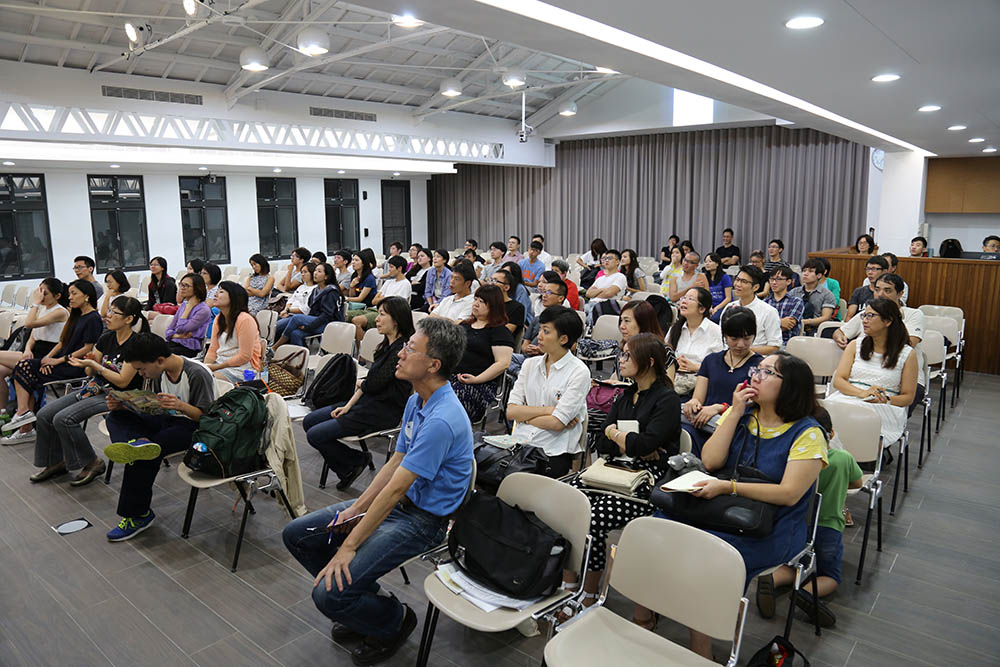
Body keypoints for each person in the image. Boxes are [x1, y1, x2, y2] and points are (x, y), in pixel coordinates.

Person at [282, 318, 473, 666]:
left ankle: (392, 621)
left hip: (425, 521)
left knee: (327, 595)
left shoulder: (442, 419)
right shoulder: (417, 400)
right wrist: (355, 510)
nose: (400, 353)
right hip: (401, 505)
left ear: (433, 365)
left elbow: (398, 487)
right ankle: (363, 602)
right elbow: (394, 463)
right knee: (298, 535)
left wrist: (350, 545)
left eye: (410, 348)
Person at [663, 352, 827, 658]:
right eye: (757, 370)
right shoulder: (743, 413)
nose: (755, 377)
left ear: (790, 386)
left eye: (767, 372)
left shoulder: (808, 432)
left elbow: (789, 494)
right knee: (661, 525)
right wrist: (735, 411)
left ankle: (703, 653)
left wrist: (730, 487)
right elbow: (711, 461)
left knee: (708, 557)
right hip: (728, 510)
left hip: (775, 527)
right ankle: (645, 616)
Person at [562, 333, 681, 610]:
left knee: (595, 517)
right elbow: (604, 443)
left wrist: (618, 435)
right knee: (567, 502)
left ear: (649, 362)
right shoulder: (626, 395)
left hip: (645, 479)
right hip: (612, 469)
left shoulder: (667, 400)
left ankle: (589, 593)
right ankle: (568, 584)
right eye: (622, 354)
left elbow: (643, 445)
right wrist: (625, 440)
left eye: (628, 355)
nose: (621, 360)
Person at [101, 333, 216, 541]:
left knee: (143, 458)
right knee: (116, 416)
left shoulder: (196, 373)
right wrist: (125, 404)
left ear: (160, 360)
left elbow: (207, 418)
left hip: (192, 427)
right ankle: (137, 443)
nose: (141, 374)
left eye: (141, 369)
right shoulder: (158, 373)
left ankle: (139, 515)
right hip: (166, 419)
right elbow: (154, 407)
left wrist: (181, 406)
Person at [758, 407, 863, 627]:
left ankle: (773, 579)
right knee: (830, 575)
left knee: (795, 562)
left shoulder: (793, 461)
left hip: (797, 522)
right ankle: (805, 593)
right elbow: (857, 483)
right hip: (829, 525)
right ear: (831, 434)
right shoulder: (842, 458)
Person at [29, 296, 150, 486]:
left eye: (114, 313)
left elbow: (123, 381)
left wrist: (97, 366)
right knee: (45, 414)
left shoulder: (136, 344)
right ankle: (56, 462)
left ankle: (92, 462)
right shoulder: (106, 338)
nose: (108, 315)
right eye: (109, 311)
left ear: (128, 319)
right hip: (96, 387)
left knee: (64, 419)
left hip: (119, 396)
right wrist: (90, 364)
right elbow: (89, 372)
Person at [304, 297, 415, 490]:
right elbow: (368, 384)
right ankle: (352, 462)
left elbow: (371, 384)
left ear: (396, 320)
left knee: (315, 435)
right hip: (364, 404)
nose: (377, 319)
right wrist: (347, 406)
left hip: (381, 412)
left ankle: (354, 461)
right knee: (309, 421)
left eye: (382, 315)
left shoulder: (402, 350)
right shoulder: (386, 346)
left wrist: (360, 389)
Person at [2, 280, 103, 444]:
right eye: (69, 294)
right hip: (60, 359)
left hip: (74, 365)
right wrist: (47, 359)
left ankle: (23, 416)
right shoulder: (76, 314)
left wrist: (57, 361)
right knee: (25, 369)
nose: (70, 297)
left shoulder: (93, 318)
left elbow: (87, 348)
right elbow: (62, 342)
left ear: (86, 296)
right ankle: (24, 420)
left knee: (25, 368)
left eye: (74, 294)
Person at [507, 306, 590, 477]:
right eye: (540, 329)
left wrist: (524, 417)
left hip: (552, 450)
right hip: (519, 443)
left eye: (546, 331)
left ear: (563, 339)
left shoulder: (579, 372)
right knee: (488, 472)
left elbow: (557, 424)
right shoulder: (530, 364)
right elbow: (511, 411)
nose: (539, 336)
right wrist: (549, 411)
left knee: (518, 482)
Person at [826, 298, 917, 444]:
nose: (864, 320)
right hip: (851, 396)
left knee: (857, 414)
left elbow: (908, 397)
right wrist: (862, 393)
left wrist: (885, 399)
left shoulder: (907, 354)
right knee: (826, 411)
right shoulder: (855, 345)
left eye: (870, 316)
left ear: (887, 321)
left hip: (883, 406)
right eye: (864, 315)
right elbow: (839, 381)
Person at [833, 273, 926, 411]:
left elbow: (910, 342)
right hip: (860, 386)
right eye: (877, 290)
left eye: (887, 290)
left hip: (897, 380)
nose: (880, 294)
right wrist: (840, 337)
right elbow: (840, 331)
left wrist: (883, 399)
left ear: (900, 294)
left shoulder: (913, 315)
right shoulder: (865, 317)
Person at [682, 307, 763, 449]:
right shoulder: (711, 360)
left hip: (736, 423)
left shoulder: (760, 366)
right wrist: (694, 403)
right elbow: (698, 397)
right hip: (703, 421)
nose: (741, 344)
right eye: (734, 339)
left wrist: (720, 408)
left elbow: (755, 404)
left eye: (747, 338)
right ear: (725, 336)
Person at [0, 278, 68, 420]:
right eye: (39, 291)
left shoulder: (60, 312)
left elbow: (29, 323)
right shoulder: (42, 308)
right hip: (33, 351)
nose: (41, 296)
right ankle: (3, 412)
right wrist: (27, 349)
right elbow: (33, 335)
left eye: (45, 293)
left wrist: (35, 303)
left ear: (57, 296)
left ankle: (21, 413)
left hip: (47, 354)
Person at [449, 285, 514, 423]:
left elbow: (503, 363)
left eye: (482, 301)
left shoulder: (499, 331)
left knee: (450, 399)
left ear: (493, 306)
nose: (476, 304)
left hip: (480, 385)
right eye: (475, 299)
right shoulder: (464, 326)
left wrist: (477, 379)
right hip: (452, 377)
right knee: (426, 388)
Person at [668, 287, 725, 397]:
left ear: (702, 309)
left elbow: (720, 366)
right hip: (674, 380)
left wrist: (696, 367)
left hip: (701, 384)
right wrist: (674, 363)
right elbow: (665, 355)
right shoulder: (675, 329)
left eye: (690, 299)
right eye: (684, 297)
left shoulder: (715, 331)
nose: (684, 301)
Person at [204, 282, 263, 382]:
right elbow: (213, 349)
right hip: (220, 365)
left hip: (241, 370)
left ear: (233, 297)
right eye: (217, 291)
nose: (215, 294)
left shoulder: (245, 319)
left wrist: (215, 367)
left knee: (207, 381)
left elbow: (244, 356)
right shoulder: (219, 319)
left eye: (221, 292)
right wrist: (205, 366)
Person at [274, 263, 342, 348]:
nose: (315, 273)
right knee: (295, 333)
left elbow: (326, 315)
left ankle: (275, 347)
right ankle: (301, 355)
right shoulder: (316, 290)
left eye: (319, 271)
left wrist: (308, 327)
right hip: (316, 320)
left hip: (328, 323)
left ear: (326, 277)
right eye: (315, 270)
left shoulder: (331, 292)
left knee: (297, 318)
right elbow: (312, 310)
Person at [720, 265, 782, 355]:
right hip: (729, 356)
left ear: (755, 287)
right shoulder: (729, 307)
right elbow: (721, 337)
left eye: (744, 282)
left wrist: (743, 349)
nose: (738, 284)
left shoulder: (769, 311)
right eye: (737, 280)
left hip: (755, 358)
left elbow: (774, 347)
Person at [351, 255, 412, 344]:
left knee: (357, 321)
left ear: (399, 268)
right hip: (374, 309)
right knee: (346, 315)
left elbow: (396, 305)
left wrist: (382, 298)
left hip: (388, 314)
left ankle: (362, 350)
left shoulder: (405, 284)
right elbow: (374, 301)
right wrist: (386, 298)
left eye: (391, 267)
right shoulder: (388, 282)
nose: (389, 270)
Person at [164, 273, 212, 358]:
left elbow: (180, 328)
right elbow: (168, 330)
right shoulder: (184, 305)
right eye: (181, 285)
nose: (182, 288)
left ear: (196, 289)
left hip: (189, 348)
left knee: (158, 355)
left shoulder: (203, 310)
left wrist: (188, 309)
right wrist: (177, 335)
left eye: (186, 285)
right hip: (175, 342)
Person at [790, 259, 836, 335]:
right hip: (794, 327)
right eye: (804, 271)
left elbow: (826, 317)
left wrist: (805, 322)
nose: (805, 274)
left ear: (819, 275)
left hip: (816, 330)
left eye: (810, 271)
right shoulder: (794, 292)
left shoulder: (827, 294)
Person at [764, 266, 805, 346]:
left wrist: (767, 324)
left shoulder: (796, 301)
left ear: (788, 281)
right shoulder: (765, 302)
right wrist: (780, 322)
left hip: (785, 344)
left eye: (779, 279)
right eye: (772, 279)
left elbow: (787, 325)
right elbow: (759, 325)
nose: (774, 282)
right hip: (765, 343)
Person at [584, 249, 628, 324]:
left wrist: (595, 293)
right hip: (589, 305)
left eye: (610, 258)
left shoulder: (620, 276)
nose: (606, 260)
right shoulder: (600, 278)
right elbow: (588, 293)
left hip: (605, 308)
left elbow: (609, 293)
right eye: (605, 258)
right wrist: (602, 289)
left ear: (617, 261)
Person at [845, 255, 888, 320]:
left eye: (874, 269)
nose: (870, 272)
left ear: (884, 271)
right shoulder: (859, 291)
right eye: (868, 269)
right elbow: (849, 317)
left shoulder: (887, 294)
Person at [490, 269, 526, 338]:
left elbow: (505, 332)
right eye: (490, 280)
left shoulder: (517, 308)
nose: (491, 284)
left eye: (495, 281)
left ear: (506, 287)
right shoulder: (486, 303)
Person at [703, 252, 733, 321]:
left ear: (717, 264)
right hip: (709, 305)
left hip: (723, 305)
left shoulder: (725, 277)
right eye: (706, 262)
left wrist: (716, 308)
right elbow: (705, 295)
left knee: (715, 318)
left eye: (710, 261)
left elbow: (728, 298)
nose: (707, 264)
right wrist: (709, 307)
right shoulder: (704, 277)